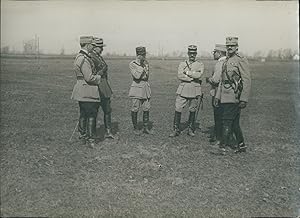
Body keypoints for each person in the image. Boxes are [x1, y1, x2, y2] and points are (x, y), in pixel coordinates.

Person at [215, 37, 251, 154]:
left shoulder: (241, 60)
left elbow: (246, 80)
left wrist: (244, 98)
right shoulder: (226, 60)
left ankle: (222, 147)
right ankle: (241, 146)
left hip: (234, 95)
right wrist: (217, 96)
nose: (230, 47)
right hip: (224, 95)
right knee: (234, 122)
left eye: (232, 45)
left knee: (226, 121)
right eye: (228, 46)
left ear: (237, 47)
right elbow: (222, 80)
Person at [71, 36, 102, 148]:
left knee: (83, 114)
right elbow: (89, 77)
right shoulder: (84, 59)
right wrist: (98, 77)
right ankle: (90, 139)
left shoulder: (80, 57)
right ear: (87, 45)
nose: (93, 47)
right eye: (92, 45)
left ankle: (82, 136)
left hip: (81, 89)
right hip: (88, 89)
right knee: (91, 115)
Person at [169, 45, 204, 137]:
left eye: (194, 53)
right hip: (183, 88)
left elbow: (199, 75)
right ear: (188, 54)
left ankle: (190, 129)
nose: (192, 55)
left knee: (192, 109)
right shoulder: (182, 64)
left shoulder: (200, 64)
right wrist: (191, 78)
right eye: (190, 53)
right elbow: (179, 75)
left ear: (196, 54)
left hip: (194, 89)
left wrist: (187, 73)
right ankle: (176, 129)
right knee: (178, 107)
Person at [89, 37, 114, 139]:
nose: (102, 49)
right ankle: (92, 134)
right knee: (94, 111)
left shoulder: (99, 57)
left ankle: (108, 131)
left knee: (107, 110)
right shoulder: (90, 57)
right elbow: (92, 73)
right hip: (96, 86)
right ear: (94, 47)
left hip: (104, 86)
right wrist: (102, 70)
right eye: (100, 47)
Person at [129, 46, 152, 135]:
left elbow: (147, 76)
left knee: (146, 107)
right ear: (138, 55)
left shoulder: (146, 63)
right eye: (143, 55)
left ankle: (146, 128)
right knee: (135, 108)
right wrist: (140, 66)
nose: (145, 56)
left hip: (145, 87)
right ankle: (135, 128)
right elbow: (137, 76)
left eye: (145, 54)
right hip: (137, 88)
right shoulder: (132, 64)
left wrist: (144, 64)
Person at [206, 44, 227, 145]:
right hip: (227, 94)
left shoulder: (219, 63)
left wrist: (208, 79)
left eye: (215, 52)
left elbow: (215, 80)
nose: (213, 54)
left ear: (219, 53)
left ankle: (219, 138)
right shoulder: (227, 62)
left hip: (217, 94)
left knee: (218, 117)